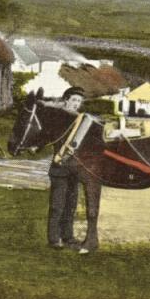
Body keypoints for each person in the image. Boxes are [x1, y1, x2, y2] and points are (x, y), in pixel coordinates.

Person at [47, 86, 85, 249]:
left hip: (74, 170)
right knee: (57, 205)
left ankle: (68, 237)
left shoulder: (82, 121)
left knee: (71, 205)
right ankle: (54, 239)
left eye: (79, 101)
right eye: (74, 100)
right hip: (60, 168)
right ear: (66, 100)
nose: (76, 104)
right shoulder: (58, 118)